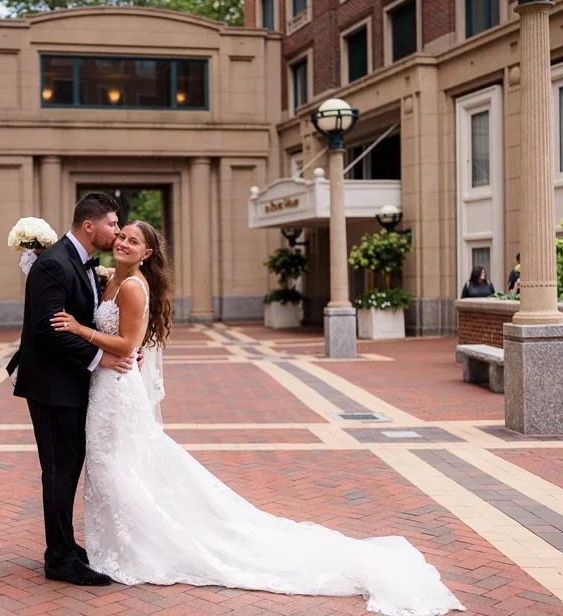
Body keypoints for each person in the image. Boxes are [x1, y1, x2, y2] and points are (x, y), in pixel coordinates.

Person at [50, 221, 465, 616]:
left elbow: (127, 344)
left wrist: (78, 329)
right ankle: (117, 545)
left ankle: (134, 549)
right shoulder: (112, 279)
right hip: (106, 389)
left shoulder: (132, 286)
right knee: (113, 467)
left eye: (133, 241)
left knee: (120, 467)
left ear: (147, 253)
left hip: (118, 391)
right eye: (121, 236)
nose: (122, 243)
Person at [10, 192, 135, 587]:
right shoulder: (53, 263)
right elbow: (48, 329)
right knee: (58, 471)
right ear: (89, 225)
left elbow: (85, 320)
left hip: (72, 383)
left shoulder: (79, 262)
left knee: (68, 467)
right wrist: (101, 358)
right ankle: (59, 558)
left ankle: (65, 544)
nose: (117, 231)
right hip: (52, 386)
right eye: (112, 224)